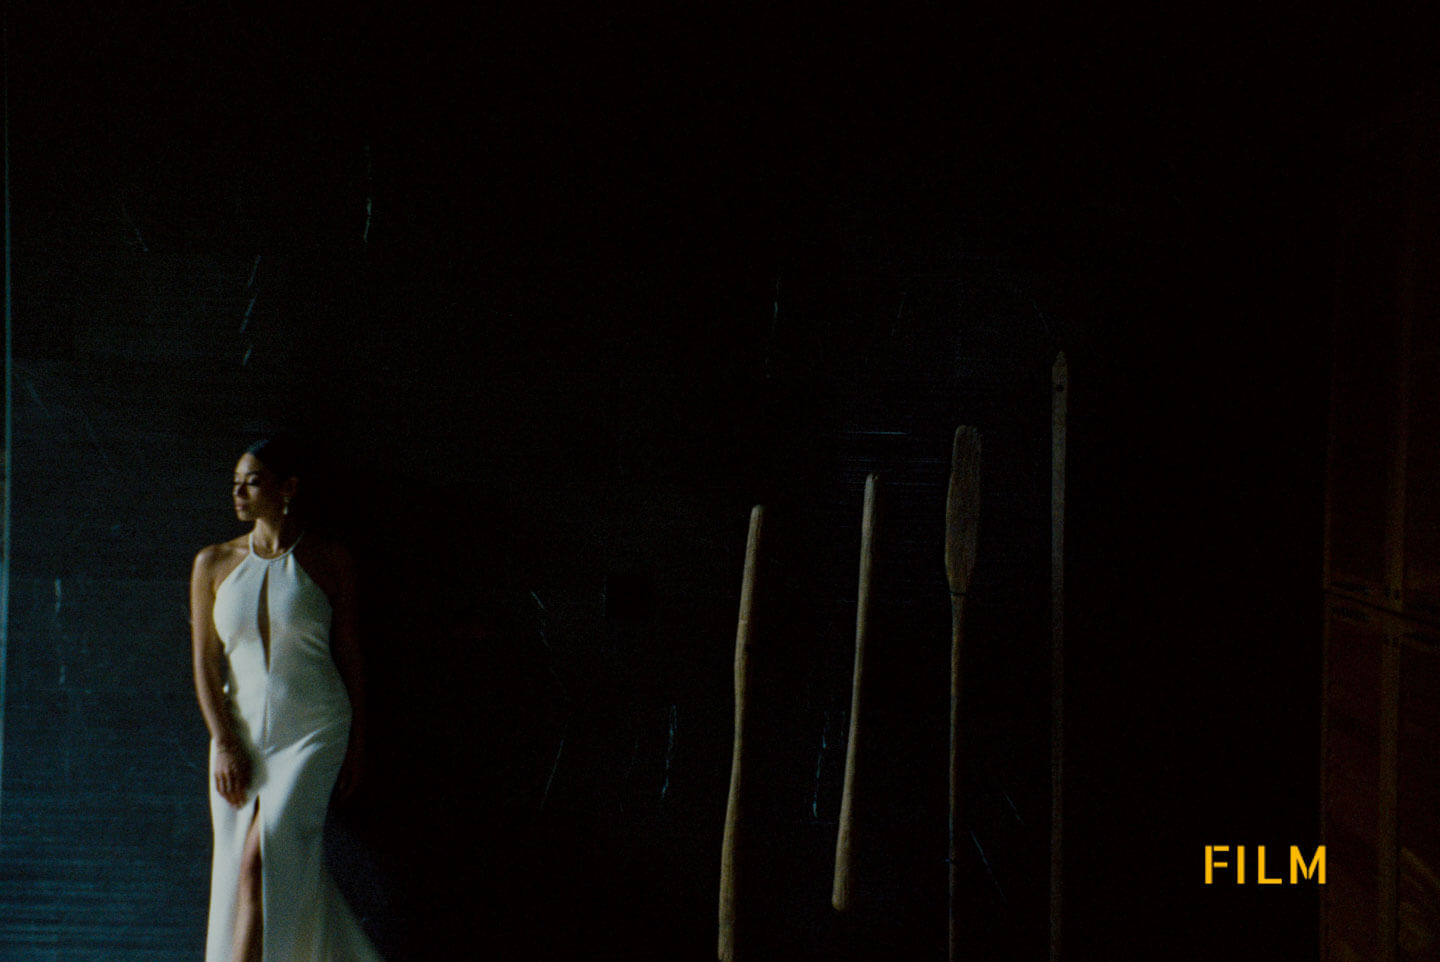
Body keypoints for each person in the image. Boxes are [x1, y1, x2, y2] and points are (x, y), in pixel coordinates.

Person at [191, 437, 383, 962]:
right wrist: (224, 742)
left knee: (263, 860)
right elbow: (204, 663)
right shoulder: (212, 563)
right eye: (235, 483)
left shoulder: (329, 559)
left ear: (288, 488)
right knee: (242, 867)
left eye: (252, 482)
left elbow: (350, 654)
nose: (238, 493)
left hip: (315, 730)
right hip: (239, 735)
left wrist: (358, 743)